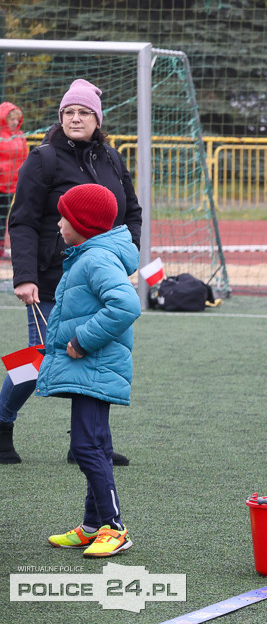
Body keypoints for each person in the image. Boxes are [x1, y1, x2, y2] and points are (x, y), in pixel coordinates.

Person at [1, 79, 141, 466]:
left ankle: (89, 442)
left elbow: (131, 214)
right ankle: (1, 423)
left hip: (98, 277)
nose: (75, 119)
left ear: (98, 119)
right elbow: (23, 221)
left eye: (83, 113)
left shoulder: (111, 158)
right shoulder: (43, 158)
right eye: (68, 112)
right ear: (60, 117)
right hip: (50, 280)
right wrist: (24, 275)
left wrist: (126, 261)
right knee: (39, 358)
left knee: (94, 357)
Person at [39, 184, 141, 557]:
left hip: (94, 366)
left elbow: (126, 304)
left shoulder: (96, 259)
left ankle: (115, 528)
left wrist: (82, 341)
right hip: (91, 370)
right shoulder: (87, 254)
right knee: (94, 444)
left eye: (65, 216)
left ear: (85, 223)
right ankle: (91, 526)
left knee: (86, 446)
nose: (60, 222)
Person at [1, 101, 28, 256]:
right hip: (1, 183)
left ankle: (4, 247)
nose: (15, 122)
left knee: (8, 216)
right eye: (12, 119)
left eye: (17, 119)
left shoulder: (20, 136)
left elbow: (24, 158)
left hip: (13, 184)